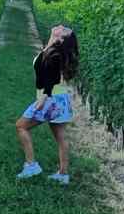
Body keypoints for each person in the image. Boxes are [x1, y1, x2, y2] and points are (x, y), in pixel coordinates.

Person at [15, 24, 79, 184]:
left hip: (51, 98)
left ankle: (31, 166)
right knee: (60, 136)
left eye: (64, 30)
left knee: (21, 126)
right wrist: (52, 39)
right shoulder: (52, 49)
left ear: (62, 39)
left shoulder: (55, 54)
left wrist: (42, 99)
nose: (61, 26)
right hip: (59, 98)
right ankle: (63, 175)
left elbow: (52, 79)